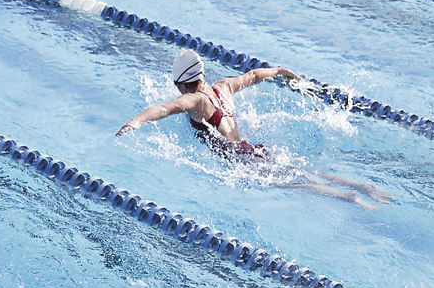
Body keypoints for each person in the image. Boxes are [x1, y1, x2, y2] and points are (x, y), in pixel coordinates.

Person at [116, 51, 390, 209]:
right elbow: (254, 75)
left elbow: (166, 108)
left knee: (294, 183)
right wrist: (281, 70)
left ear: (181, 85)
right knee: (301, 170)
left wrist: (135, 122)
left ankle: (349, 196)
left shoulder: (197, 101)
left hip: (241, 160)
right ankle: (359, 185)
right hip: (250, 148)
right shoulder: (221, 87)